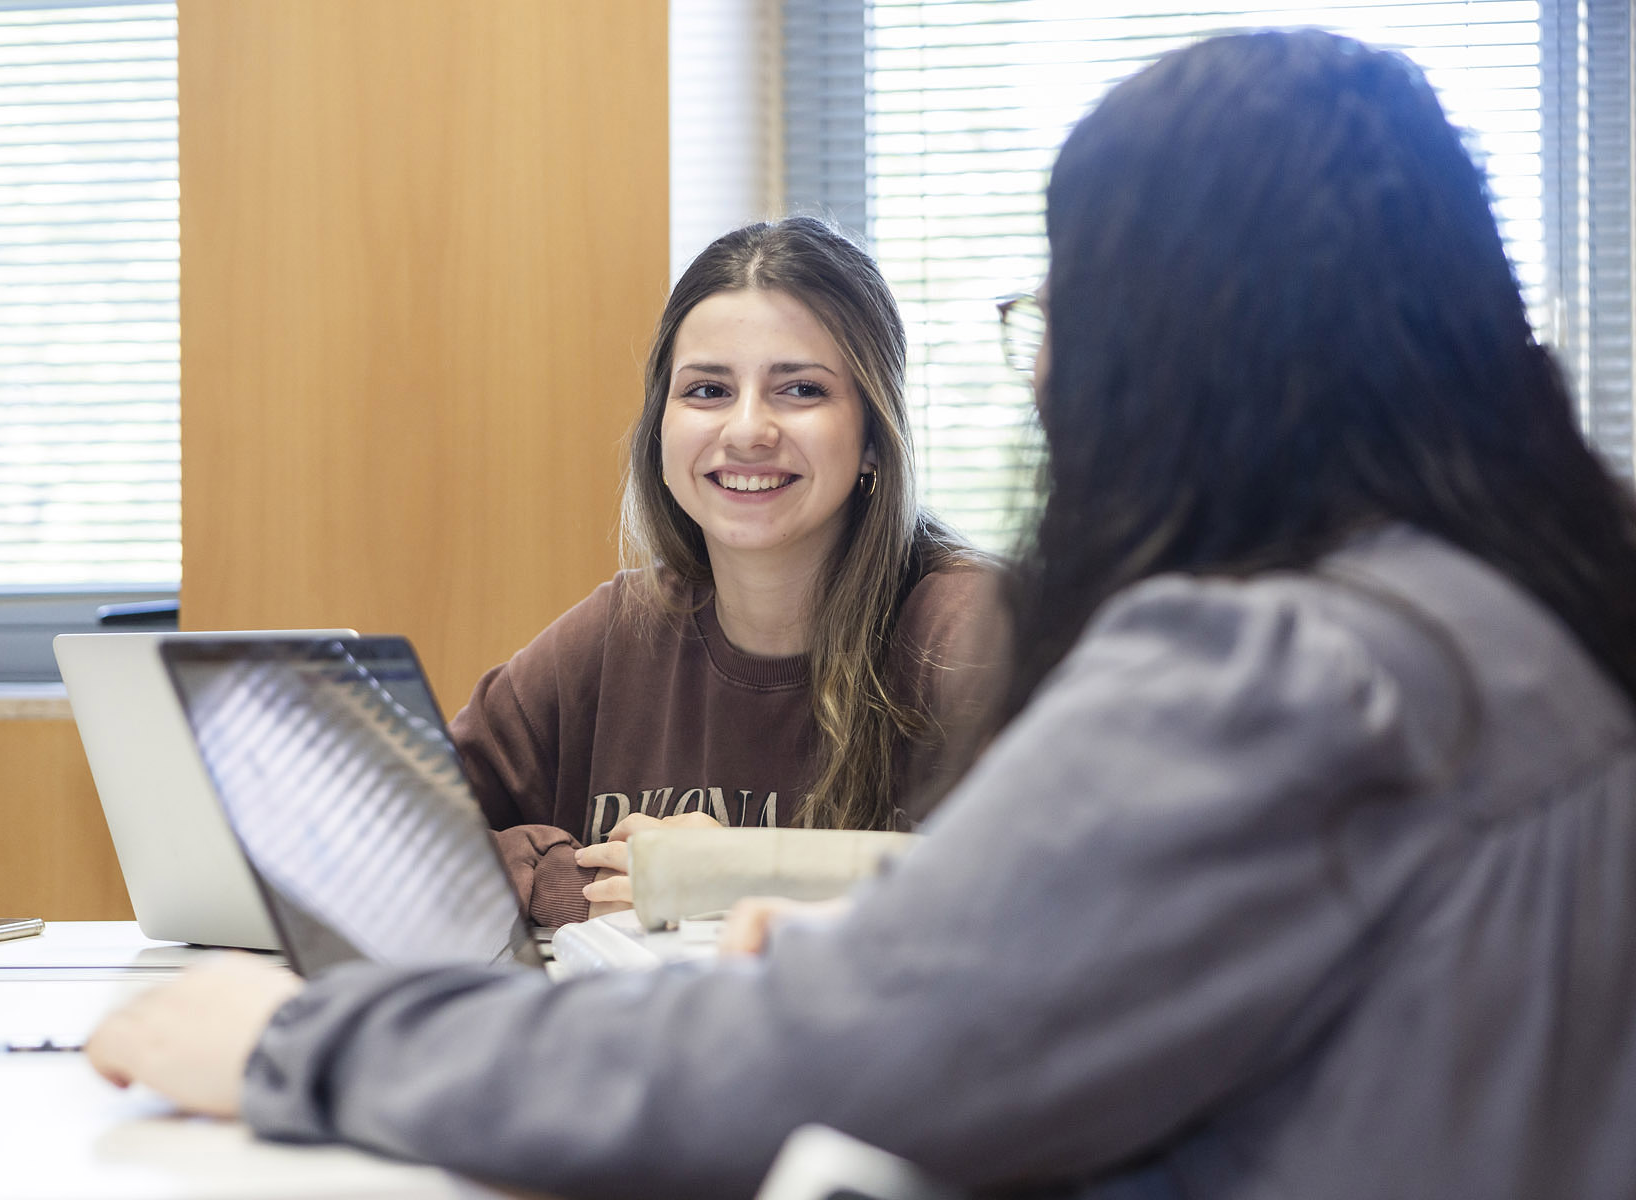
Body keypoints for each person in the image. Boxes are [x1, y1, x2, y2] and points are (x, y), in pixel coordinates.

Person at [88, 29, 1636, 1198]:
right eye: (708, 389)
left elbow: (835, 1063)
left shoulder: (1285, 669)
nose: (1048, 369)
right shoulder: (1509, 617)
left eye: (1065, 309)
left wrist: (300, 1045)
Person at [464, 217, 999, 927]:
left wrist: (746, 878)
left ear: (873, 437)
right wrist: (568, 876)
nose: (747, 430)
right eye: (708, 391)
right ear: (662, 428)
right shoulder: (618, 634)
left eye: (801, 390)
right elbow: (389, 840)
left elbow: (1070, 890)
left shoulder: (974, 636)